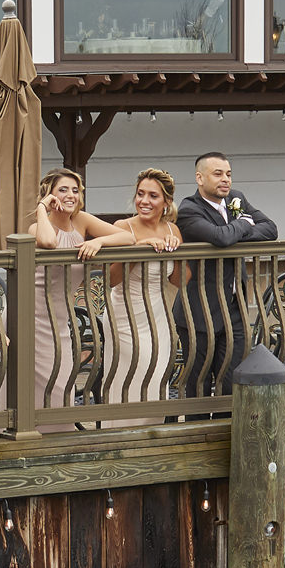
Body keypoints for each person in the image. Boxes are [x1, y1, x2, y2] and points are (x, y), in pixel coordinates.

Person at [29, 167, 134, 432]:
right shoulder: (37, 225)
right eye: (62, 189)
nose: (70, 195)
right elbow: (48, 242)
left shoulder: (82, 221)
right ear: (49, 193)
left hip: (59, 319)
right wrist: (43, 208)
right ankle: (31, 442)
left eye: (75, 190)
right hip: (31, 315)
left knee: (61, 381)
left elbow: (129, 237)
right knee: (37, 386)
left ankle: (57, 443)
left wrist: (99, 243)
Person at [173, 152, 278, 404]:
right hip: (199, 310)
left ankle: (224, 435)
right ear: (200, 178)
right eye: (218, 174)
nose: (226, 180)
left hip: (235, 308)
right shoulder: (188, 209)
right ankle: (197, 435)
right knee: (197, 382)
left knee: (231, 381)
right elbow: (220, 238)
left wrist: (235, 232)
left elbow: (271, 229)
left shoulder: (237, 199)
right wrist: (243, 224)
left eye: (228, 174)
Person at [102, 168, 183, 427]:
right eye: (140, 194)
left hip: (158, 315)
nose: (144, 201)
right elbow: (111, 279)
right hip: (124, 315)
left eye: (153, 196)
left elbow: (179, 280)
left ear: (166, 202)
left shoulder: (173, 229)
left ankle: (150, 435)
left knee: (157, 375)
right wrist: (139, 250)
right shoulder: (122, 228)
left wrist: (176, 253)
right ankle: (120, 435)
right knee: (130, 374)